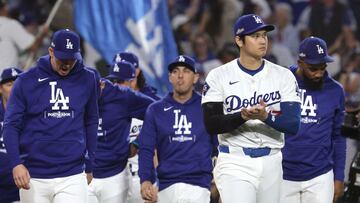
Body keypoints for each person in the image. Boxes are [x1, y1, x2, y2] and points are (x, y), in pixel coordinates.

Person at [201, 14, 301, 203]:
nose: (262, 40)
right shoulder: (218, 76)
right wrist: (242, 116)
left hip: (272, 159)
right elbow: (211, 124)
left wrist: (265, 116)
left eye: (264, 35)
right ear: (239, 40)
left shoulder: (283, 76)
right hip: (235, 160)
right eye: (255, 36)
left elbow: (293, 124)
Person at [3, 28, 99, 203]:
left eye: (72, 59)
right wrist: (16, 163)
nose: (67, 64)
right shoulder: (26, 81)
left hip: (72, 174)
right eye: (63, 59)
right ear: (51, 51)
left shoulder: (87, 79)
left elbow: (91, 121)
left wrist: (90, 162)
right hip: (34, 175)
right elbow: (11, 125)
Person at [138, 55, 217, 203]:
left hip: (199, 186)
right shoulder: (155, 110)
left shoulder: (208, 107)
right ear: (170, 77)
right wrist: (146, 180)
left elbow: (218, 148)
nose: (180, 76)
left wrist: (220, 183)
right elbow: (146, 149)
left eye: (186, 71)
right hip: (166, 187)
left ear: (195, 77)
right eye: (175, 71)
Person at [280, 36, 346, 203]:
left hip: (320, 176)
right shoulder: (281, 82)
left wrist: (339, 177)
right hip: (282, 173)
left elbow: (339, 137)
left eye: (322, 68)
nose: (319, 73)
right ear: (300, 62)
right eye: (313, 68)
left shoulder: (335, 90)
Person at [87, 61, 154, 203]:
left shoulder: (123, 97)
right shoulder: (79, 97)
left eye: (121, 80)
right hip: (83, 174)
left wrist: (137, 141)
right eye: (114, 80)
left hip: (115, 176)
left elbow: (157, 113)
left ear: (101, 85)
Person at [112, 51, 160, 203]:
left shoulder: (153, 103)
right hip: (113, 176)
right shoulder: (108, 101)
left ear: (137, 72)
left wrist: (157, 181)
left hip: (141, 176)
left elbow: (161, 146)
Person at [0, 0, 48, 72]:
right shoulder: (9, 25)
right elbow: (33, 47)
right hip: (6, 79)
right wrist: (43, 34)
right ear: (2, 9)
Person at [0, 67, 22, 203]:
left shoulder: (34, 113)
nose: (14, 88)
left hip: (25, 183)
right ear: (1, 89)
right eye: (9, 84)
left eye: (18, 84)